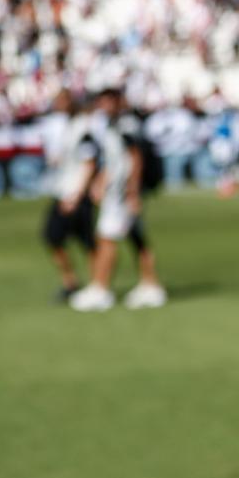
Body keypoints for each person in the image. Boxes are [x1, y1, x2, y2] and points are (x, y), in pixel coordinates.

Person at [68, 88, 167, 312]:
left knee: (106, 237)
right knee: (136, 238)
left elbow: (135, 158)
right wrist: (101, 182)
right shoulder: (113, 125)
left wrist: (132, 192)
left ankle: (101, 288)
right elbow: (115, 160)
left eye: (108, 101)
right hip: (118, 192)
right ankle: (150, 284)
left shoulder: (125, 125)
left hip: (123, 194)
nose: (103, 106)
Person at [39, 91, 98, 301]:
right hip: (63, 190)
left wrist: (76, 195)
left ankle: (97, 284)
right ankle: (72, 282)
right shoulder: (70, 126)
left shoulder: (83, 128)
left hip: (75, 194)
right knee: (52, 237)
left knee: (88, 242)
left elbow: (89, 164)